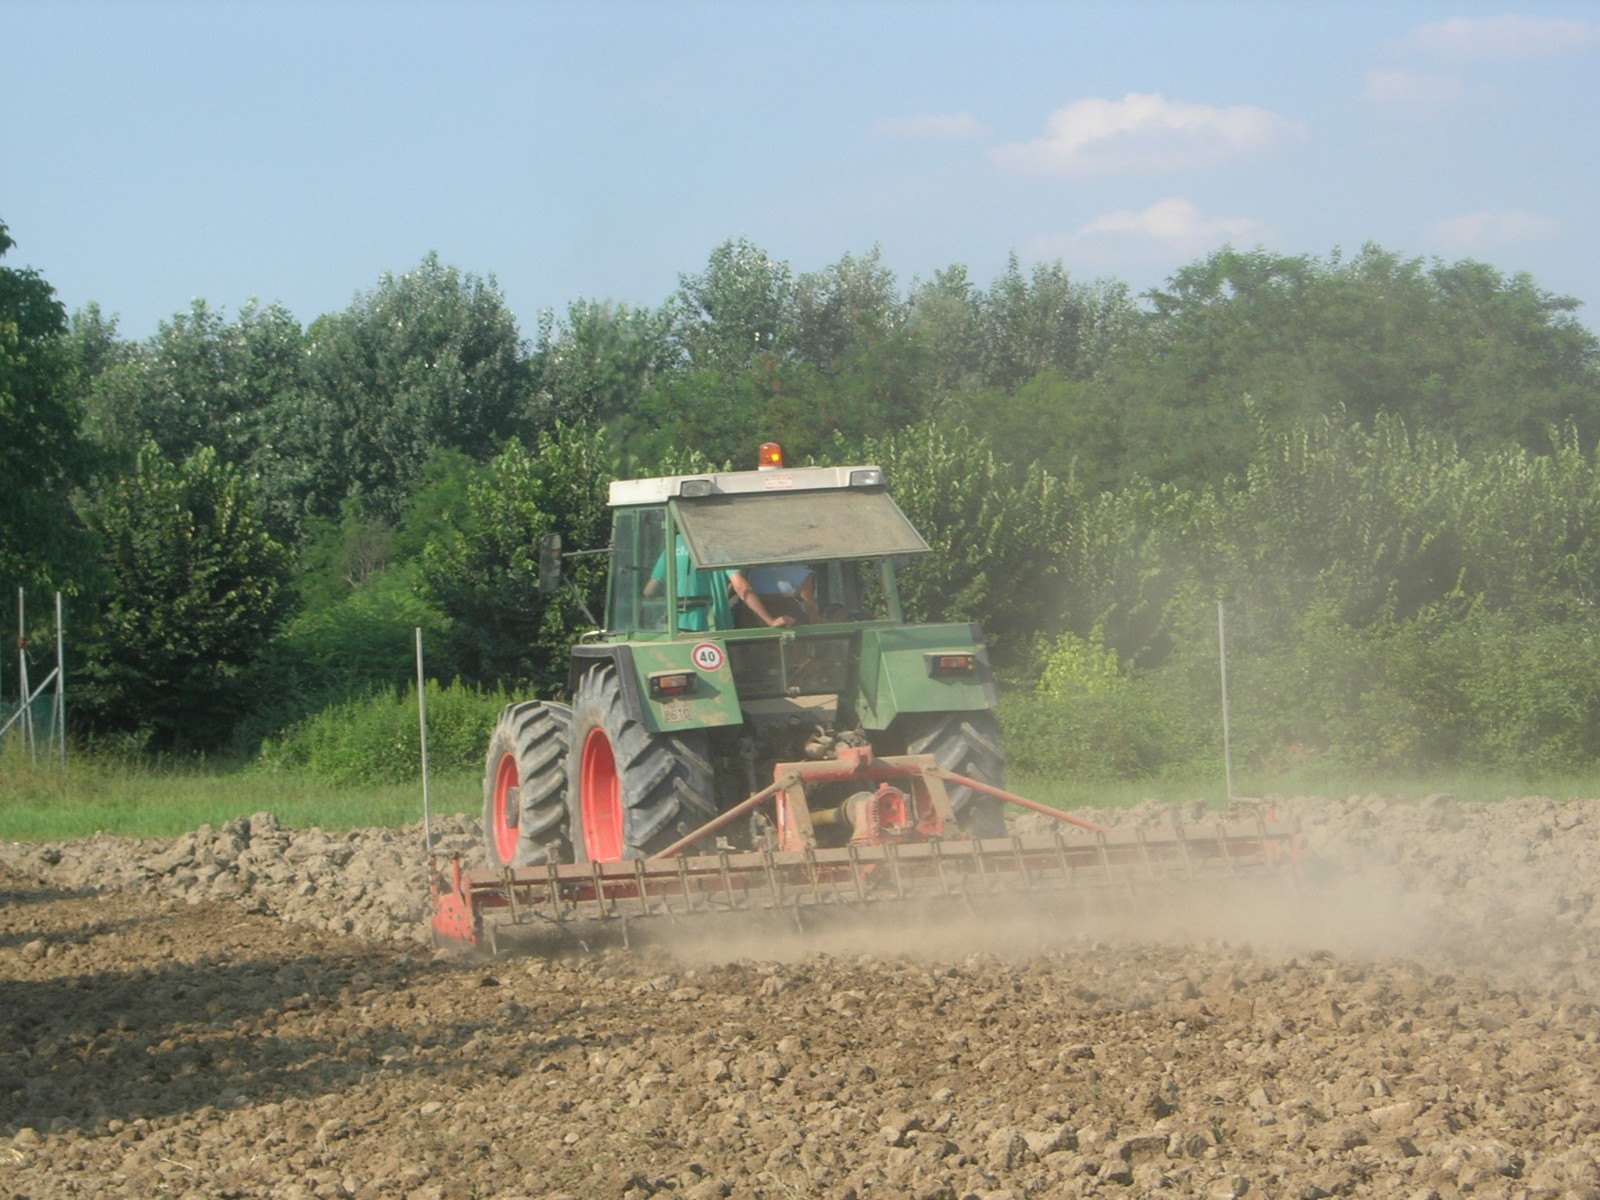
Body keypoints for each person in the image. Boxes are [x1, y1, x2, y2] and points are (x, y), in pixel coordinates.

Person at [741, 564, 820, 625]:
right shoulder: (803, 574)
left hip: (752, 619)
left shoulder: (753, 570)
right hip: (787, 619)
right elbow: (811, 611)